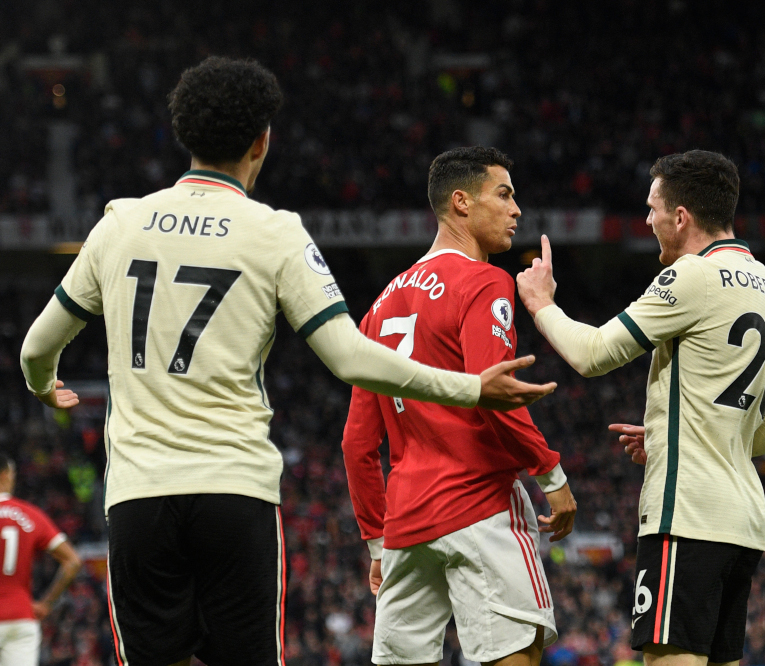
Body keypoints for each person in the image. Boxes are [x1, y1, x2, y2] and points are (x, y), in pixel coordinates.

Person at [18, 57, 555, 666]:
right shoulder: (275, 232)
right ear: (261, 141)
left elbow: (37, 346)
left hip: (139, 496)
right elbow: (352, 359)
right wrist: (467, 388)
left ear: (184, 135)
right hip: (234, 491)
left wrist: (44, 386)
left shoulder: (119, 223)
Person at [517, 150, 765, 666]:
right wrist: (683, 436)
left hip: (687, 516)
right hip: (744, 525)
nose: (647, 219)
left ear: (681, 216)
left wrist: (542, 304)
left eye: (652, 208)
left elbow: (593, 354)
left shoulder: (692, 275)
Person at [342, 146, 577, 666]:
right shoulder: (484, 280)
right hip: (479, 505)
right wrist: (552, 475)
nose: (517, 209)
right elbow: (494, 392)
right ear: (461, 202)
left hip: (405, 525)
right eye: (504, 194)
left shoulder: (378, 307)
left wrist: (378, 542)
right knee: (517, 655)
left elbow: (357, 444)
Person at [0, 453, 82, 666]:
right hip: (21, 618)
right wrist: (47, 604)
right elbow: (73, 561)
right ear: (7, 475)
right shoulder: (31, 514)